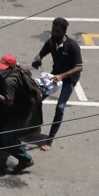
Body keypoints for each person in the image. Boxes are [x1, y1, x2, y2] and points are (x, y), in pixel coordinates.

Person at [33, 17, 83, 151]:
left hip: (69, 78)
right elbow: (41, 54)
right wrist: (37, 59)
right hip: (55, 74)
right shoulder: (51, 42)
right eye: (53, 30)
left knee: (60, 107)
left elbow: (79, 67)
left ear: (64, 32)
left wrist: (62, 76)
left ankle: (49, 140)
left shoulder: (72, 46)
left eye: (57, 31)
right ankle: (38, 124)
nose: (54, 33)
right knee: (37, 97)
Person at [0, 54, 36, 173]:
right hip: (26, 107)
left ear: (10, 68)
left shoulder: (9, 81)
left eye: (4, 67)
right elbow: (29, 72)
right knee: (8, 129)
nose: (1, 69)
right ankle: (5, 147)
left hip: (19, 111)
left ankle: (26, 159)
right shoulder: (21, 70)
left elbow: (9, 102)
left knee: (9, 137)